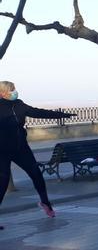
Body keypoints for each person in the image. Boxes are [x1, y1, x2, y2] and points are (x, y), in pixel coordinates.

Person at [0, 81, 76, 226]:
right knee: (2, 184)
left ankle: (45, 203)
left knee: (36, 174)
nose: (14, 91)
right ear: (2, 93)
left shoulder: (19, 104)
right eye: (11, 90)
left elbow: (39, 112)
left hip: (21, 149)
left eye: (14, 89)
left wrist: (62, 115)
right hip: (2, 151)